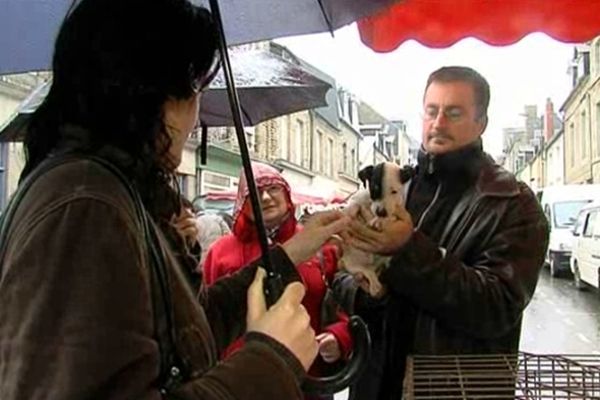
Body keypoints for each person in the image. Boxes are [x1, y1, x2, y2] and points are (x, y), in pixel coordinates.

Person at [0, 0, 350, 398]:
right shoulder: (87, 206)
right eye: (196, 88)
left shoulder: (111, 192)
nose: (197, 113)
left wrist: (294, 250)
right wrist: (270, 362)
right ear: (157, 93)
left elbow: (188, 330)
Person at [340, 66, 550, 400]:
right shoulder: (392, 188)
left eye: (453, 113)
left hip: (454, 390)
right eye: (431, 111)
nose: (438, 123)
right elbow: (341, 282)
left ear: (481, 123)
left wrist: (408, 249)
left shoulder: (513, 204)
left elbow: (496, 307)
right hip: (377, 385)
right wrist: (366, 292)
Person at [202, 162, 353, 400]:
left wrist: (339, 336)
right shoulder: (220, 252)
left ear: (286, 193)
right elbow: (208, 315)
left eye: (273, 188)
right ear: (243, 202)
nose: (265, 197)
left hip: (307, 379)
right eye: (254, 191)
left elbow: (342, 305)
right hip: (242, 382)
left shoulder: (320, 246)